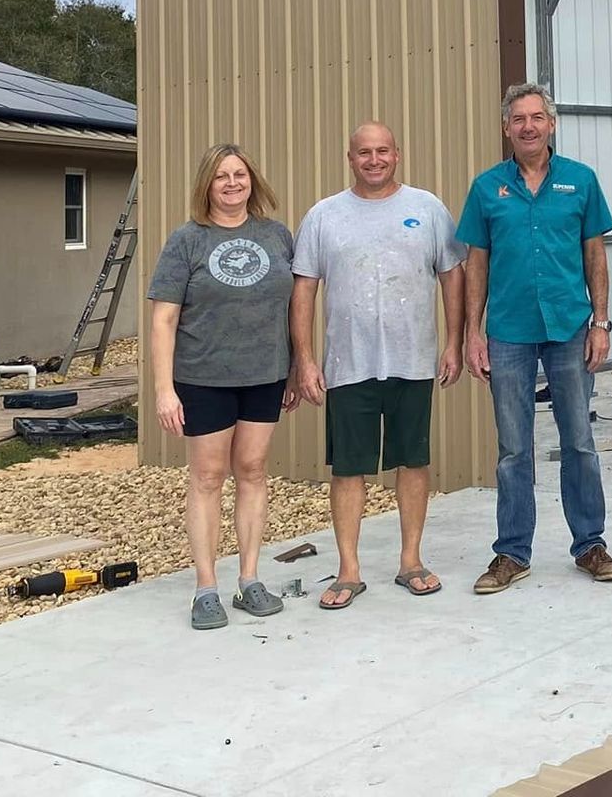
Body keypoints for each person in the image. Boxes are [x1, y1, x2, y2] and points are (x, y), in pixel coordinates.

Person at [288, 122, 464, 608]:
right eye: (363, 152)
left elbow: (452, 277)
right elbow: (303, 290)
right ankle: (348, 570)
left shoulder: (427, 209)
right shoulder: (325, 216)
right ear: (350, 159)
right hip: (348, 363)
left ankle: (411, 560)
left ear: (397, 155)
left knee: (413, 459)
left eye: (382, 151)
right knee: (349, 467)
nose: (373, 159)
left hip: (412, 360)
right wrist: (304, 360)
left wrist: (454, 343)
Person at [460, 82, 612, 595]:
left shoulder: (581, 181)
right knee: (513, 449)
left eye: (537, 117)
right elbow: (476, 265)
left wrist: (600, 323)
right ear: (506, 128)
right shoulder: (488, 188)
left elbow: (595, 256)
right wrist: (472, 333)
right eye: (518, 119)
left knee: (579, 441)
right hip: (508, 331)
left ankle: (590, 545)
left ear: (551, 124)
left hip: (570, 329)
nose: (527, 127)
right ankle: (511, 553)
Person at [147, 143, 294, 630]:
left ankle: (249, 580)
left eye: (240, 175)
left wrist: (294, 368)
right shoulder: (187, 240)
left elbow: (293, 307)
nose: (232, 184)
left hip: (264, 375)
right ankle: (205, 588)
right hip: (203, 378)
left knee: (252, 471)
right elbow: (164, 318)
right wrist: (165, 390)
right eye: (221, 177)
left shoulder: (276, 236)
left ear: (252, 180)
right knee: (208, 478)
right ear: (206, 185)